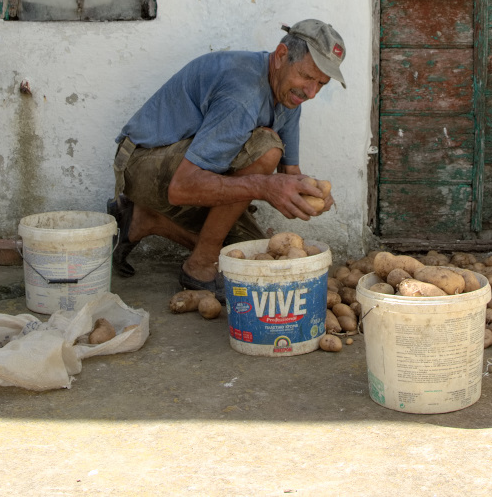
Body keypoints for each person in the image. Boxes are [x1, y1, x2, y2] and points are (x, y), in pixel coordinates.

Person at [107, 19, 345, 298]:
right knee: (268, 148)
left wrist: (310, 192)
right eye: (307, 77)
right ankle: (200, 265)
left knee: (248, 252)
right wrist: (265, 187)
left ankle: (144, 220)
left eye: (321, 83)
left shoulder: (289, 93)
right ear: (281, 56)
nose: (312, 92)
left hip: (187, 172)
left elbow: (291, 171)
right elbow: (182, 187)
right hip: (143, 165)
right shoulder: (243, 96)